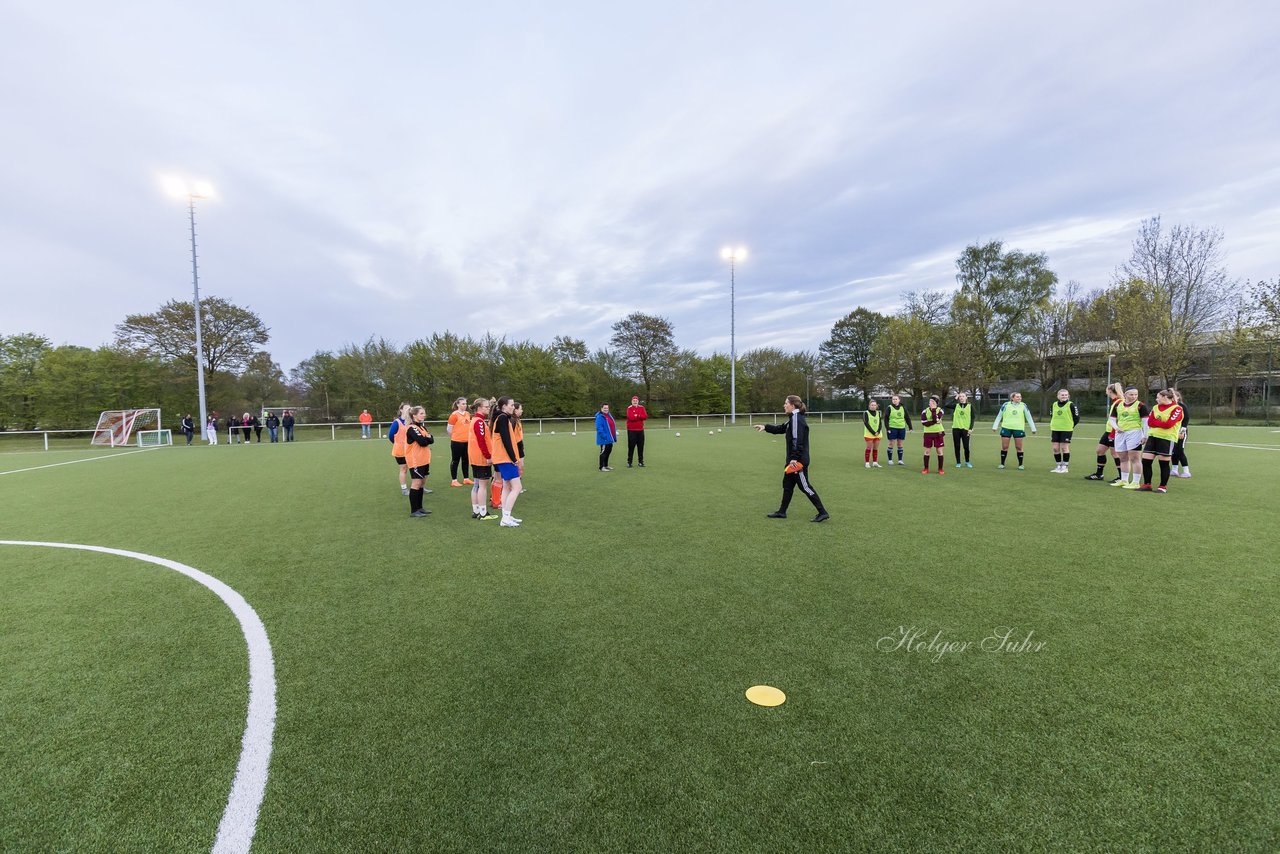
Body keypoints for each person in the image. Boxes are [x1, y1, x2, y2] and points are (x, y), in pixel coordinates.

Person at [754, 394, 829, 522]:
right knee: (787, 485)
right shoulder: (793, 418)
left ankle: (822, 512)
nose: (784, 405)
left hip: (797, 460)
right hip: (793, 459)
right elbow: (782, 428)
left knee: (804, 486)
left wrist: (794, 459)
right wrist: (766, 427)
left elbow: (797, 440)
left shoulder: (796, 419)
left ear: (792, 405)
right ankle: (782, 512)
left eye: (786, 403)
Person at [1139, 389, 1184, 494]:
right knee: (1145, 461)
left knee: (1163, 463)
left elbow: (1169, 424)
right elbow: (1150, 422)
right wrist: (1161, 423)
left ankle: (1162, 487)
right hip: (1152, 437)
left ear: (1164, 397)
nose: (1156, 399)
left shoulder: (1177, 409)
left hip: (1166, 439)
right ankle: (1147, 484)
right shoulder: (1155, 407)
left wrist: (1157, 422)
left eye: (1158, 397)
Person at [491, 396, 524, 527]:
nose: (513, 407)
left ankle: (506, 516)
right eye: (511, 405)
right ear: (504, 406)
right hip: (505, 458)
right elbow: (506, 440)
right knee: (517, 487)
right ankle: (505, 518)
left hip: (503, 458)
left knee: (507, 487)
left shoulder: (502, 418)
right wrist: (514, 458)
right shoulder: (503, 418)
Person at [1110, 386, 1149, 490]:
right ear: (1125, 394)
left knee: (1135, 458)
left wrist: (1145, 435)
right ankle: (1124, 480)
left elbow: (1145, 422)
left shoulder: (1140, 405)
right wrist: (1117, 428)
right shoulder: (1118, 404)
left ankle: (1136, 482)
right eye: (1131, 394)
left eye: (1136, 394)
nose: (1134, 396)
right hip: (1120, 434)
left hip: (1135, 433)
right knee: (1122, 457)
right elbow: (1112, 419)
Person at [1085, 383, 1125, 481]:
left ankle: (1122, 477)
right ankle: (1099, 474)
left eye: (1107, 390)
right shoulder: (1114, 401)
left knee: (1115, 454)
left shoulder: (1120, 402)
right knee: (1100, 451)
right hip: (1108, 431)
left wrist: (1113, 433)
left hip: (1114, 432)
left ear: (1109, 391)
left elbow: (1119, 419)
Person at [467, 397, 496, 520]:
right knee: (482, 486)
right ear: (479, 408)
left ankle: (476, 511)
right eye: (486, 407)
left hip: (475, 457)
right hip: (480, 457)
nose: (488, 409)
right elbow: (481, 441)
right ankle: (483, 513)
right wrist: (488, 456)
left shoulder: (476, 420)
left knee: (477, 485)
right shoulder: (478, 421)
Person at [991, 392, 1036, 469]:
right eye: (1017, 397)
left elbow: (1029, 417)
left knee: (1019, 447)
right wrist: (995, 426)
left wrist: (1033, 428)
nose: (1020, 398)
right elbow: (999, 416)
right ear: (1012, 398)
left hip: (1018, 428)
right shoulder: (1005, 405)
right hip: (1006, 428)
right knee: (1005, 447)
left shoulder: (1023, 405)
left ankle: (1020, 465)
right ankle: (1002, 464)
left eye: (1020, 397)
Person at [404, 406, 434, 516]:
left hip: (424, 459)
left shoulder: (422, 428)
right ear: (414, 415)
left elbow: (432, 439)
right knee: (416, 483)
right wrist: (427, 439)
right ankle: (414, 510)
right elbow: (423, 441)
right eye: (421, 413)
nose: (424, 415)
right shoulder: (411, 428)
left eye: (424, 413)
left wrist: (428, 439)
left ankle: (420, 508)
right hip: (415, 460)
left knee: (421, 483)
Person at [1048, 388, 1081, 473]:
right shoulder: (1054, 404)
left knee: (1064, 448)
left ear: (1068, 396)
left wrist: (1071, 426)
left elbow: (1076, 418)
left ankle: (1065, 467)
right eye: (1062, 395)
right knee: (1055, 448)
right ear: (1058, 396)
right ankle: (1058, 466)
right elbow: (1052, 415)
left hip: (1066, 429)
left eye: (1066, 395)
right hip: (1055, 429)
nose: (1064, 396)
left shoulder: (1071, 405)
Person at [446, 397, 473, 487]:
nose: (465, 405)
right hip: (457, 442)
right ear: (457, 404)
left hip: (467, 441)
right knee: (455, 460)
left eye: (465, 403)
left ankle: (466, 478)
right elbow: (449, 429)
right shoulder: (454, 415)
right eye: (462, 404)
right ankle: (454, 480)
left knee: (466, 460)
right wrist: (455, 437)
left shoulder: (468, 414)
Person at [388, 403, 411, 496]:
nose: (408, 409)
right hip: (400, 451)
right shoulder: (396, 422)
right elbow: (391, 436)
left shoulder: (412, 421)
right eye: (406, 408)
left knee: (416, 468)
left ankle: (419, 486)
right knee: (404, 469)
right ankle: (404, 488)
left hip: (411, 450)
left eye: (410, 408)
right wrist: (398, 444)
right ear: (401, 410)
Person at [884, 395, 912, 466]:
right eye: (893, 399)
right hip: (892, 428)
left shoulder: (903, 408)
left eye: (896, 399)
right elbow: (886, 419)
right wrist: (888, 428)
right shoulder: (889, 408)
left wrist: (910, 427)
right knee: (891, 443)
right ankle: (890, 460)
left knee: (900, 444)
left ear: (899, 400)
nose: (894, 400)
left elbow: (907, 418)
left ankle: (900, 460)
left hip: (901, 428)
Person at [1170, 389, 1192, 478]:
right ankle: (1174, 470)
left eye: (1173, 396)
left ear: (1178, 397)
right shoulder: (1170, 406)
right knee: (1173, 451)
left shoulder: (1182, 406)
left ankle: (1186, 471)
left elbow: (1186, 419)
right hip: (1172, 432)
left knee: (1179, 451)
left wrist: (1182, 432)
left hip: (1180, 432)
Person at [920, 395, 945, 474]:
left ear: (936, 403)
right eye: (930, 401)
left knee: (939, 451)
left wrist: (934, 410)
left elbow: (935, 419)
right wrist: (935, 422)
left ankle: (940, 469)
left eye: (933, 402)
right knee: (927, 451)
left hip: (938, 432)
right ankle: (926, 468)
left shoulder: (940, 410)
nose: (931, 403)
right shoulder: (925, 411)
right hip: (928, 433)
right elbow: (924, 423)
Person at [950, 392, 974, 468]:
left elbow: (973, 418)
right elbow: (947, 405)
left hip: (966, 429)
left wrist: (970, 428)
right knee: (957, 446)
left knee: (966, 446)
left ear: (966, 397)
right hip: (956, 428)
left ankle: (967, 461)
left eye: (963, 396)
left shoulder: (970, 406)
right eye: (960, 396)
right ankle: (958, 462)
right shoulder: (956, 406)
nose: (961, 398)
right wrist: (954, 399)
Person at [625, 395, 648, 467]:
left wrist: (637, 415)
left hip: (640, 430)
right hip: (631, 431)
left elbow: (645, 416)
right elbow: (631, 418)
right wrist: (639, 416)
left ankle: (640, 462)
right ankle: (629, 462)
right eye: (633, 401)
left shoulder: (642, 407)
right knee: (631, 447)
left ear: (638, 401)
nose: (635, 402)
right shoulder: (629, 408)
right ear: (631, 401)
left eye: (636, 400)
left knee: (640, 447)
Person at [862, 399, 883, 468]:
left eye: (874, 405)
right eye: (872, 405)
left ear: (876, 406)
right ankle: (867, 463)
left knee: (875, 448)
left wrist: (878, 431)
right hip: (869, 434)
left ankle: (875, 462)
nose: (873, 406)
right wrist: (873, 432)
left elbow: (880, 423)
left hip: (878, 434)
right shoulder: (866, 413)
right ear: (869, 406)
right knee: (869, 448)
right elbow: (866, 423)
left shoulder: (878, 413)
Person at [596, 403, 617, 471]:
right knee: (604, 452)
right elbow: (599, 428)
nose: (606, 409)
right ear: (601, 409)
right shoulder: (600, 417)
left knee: (608, 451)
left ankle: (606, 465)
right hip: (604, 439)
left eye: (607, 408)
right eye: (604, 408)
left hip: (610, 438)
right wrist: (605, 436)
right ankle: (601, 467)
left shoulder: (608, 415)